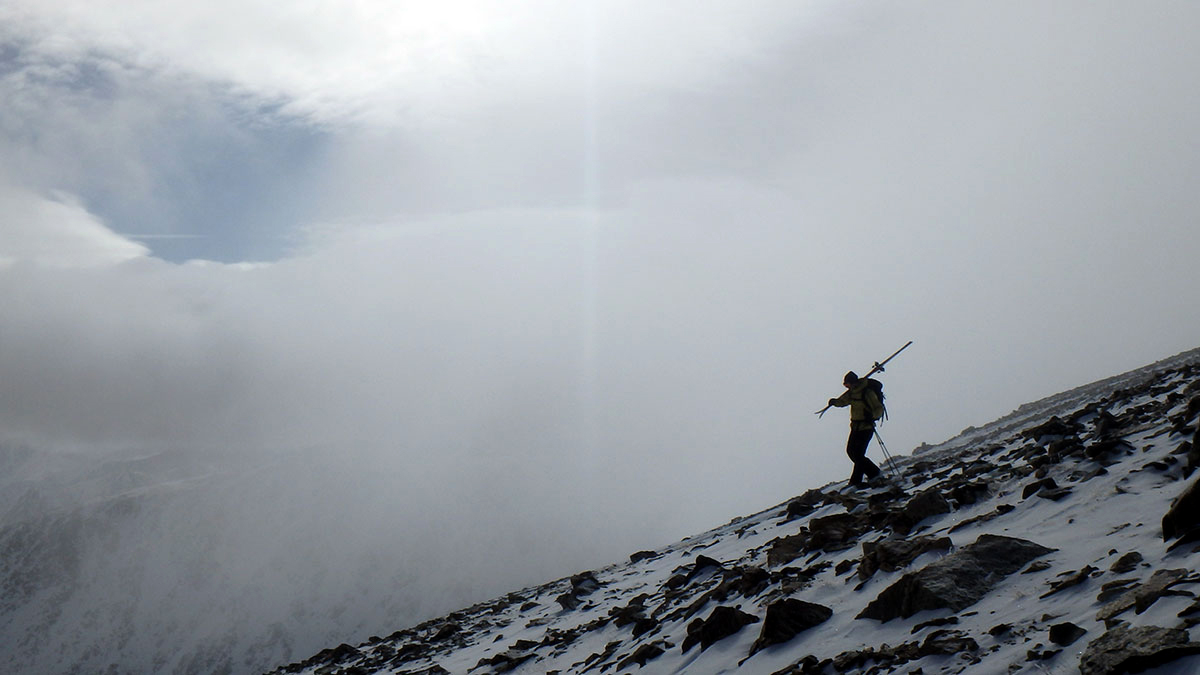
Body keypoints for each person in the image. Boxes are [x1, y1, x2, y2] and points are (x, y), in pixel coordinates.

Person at [828, 371, 885, 487]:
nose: (846, 387)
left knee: (857, 454)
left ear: (852, 383)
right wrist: (834, 402)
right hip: (855, 427)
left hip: (866, 427)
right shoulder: (852, 393)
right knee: (852, 452)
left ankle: (864, 477)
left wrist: (872, 416)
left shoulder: (866, 392)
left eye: (846, 384)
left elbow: (879, 408)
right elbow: (843, 401)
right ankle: (870, 474)